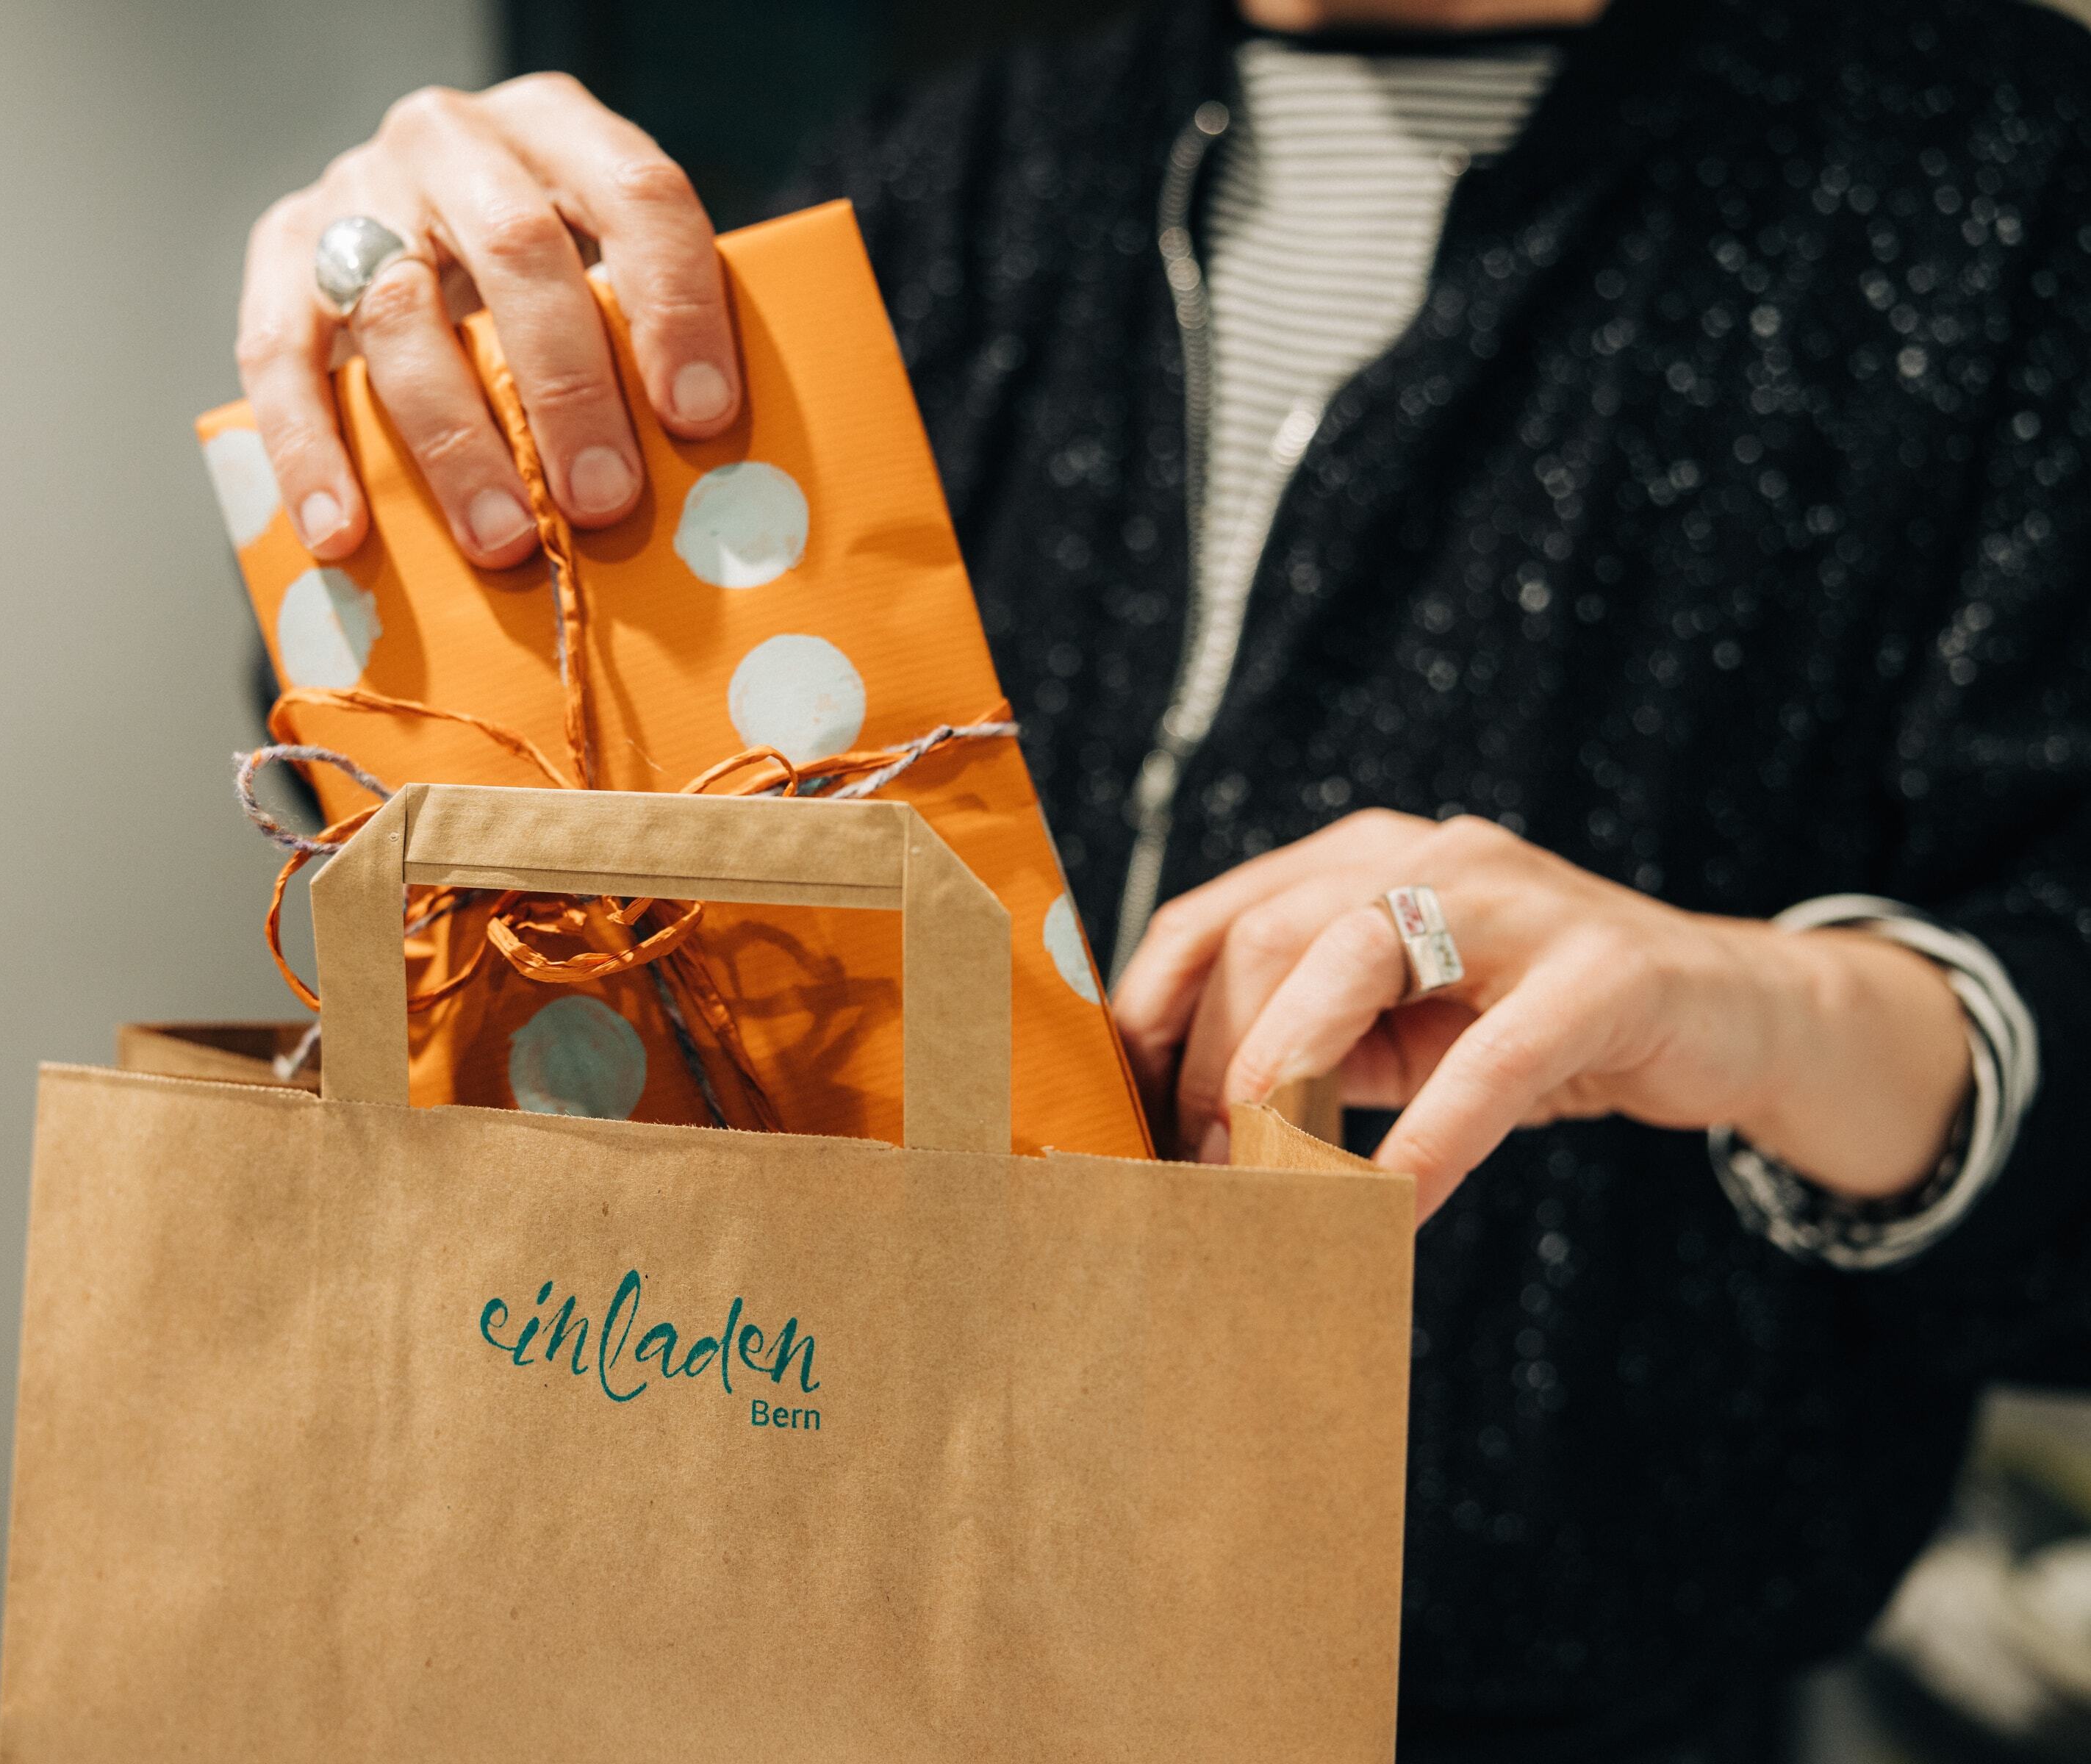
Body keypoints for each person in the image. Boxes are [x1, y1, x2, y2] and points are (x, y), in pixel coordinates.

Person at [232, 0, 2091, 1755]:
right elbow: (419, 796)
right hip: (811, 1642)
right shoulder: (956, 169)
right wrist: (406, 421)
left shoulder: (1994, 176)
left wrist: (1767, 1012)